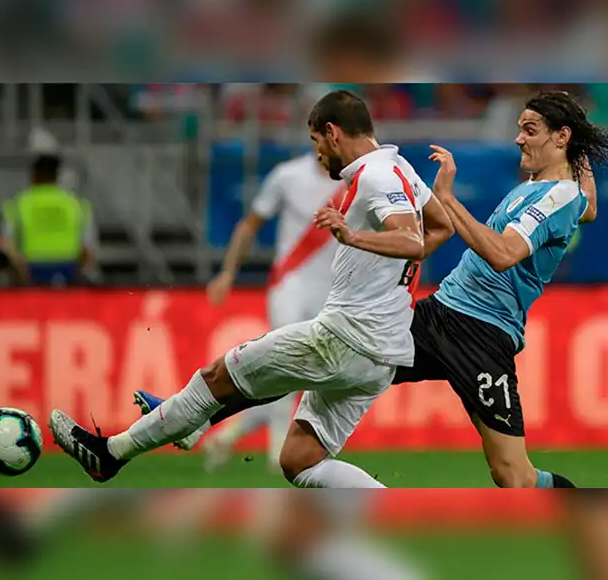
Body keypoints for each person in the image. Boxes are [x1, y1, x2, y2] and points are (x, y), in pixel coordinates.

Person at [139, 90, 608, 488]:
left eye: (529, 129)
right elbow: (589, 208)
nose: (517, 138)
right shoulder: (545, 188)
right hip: (439, 314)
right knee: (328, 361)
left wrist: (447, 201)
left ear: (560, 138)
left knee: (512, 476)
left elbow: (503, 253)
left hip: (484, 336)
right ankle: (201, 415)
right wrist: (581, 146)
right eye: (519, 127)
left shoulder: (559, 194)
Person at [49, 89, 454, 488]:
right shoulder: (401, 170)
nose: (317, 154)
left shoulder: (376, 176)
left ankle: (110, 454)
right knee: (299, 460)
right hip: (383, 354)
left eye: (316, 141)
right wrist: (387, 259)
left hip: (347, 339)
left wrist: (353, 238)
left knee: (215, 376)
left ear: (332, 132)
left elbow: (411, 240)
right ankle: (391, 508)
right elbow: (441, 228)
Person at [148, 152, 344, 473]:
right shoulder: (288, 175)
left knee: (300, 376)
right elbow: (250, 225)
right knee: (288, 363)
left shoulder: (355, 179)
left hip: (330, 292)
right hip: (288, 286)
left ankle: (227, 434)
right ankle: (277, 452)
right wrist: (227, 272)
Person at [0, 154, 97, 286]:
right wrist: (77, 275)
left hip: (31, 271)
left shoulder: (18, 203)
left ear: (34, 175)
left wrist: (20, 274)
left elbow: (7, 245)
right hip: (67, 271)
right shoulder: (76, 203)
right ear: (57, 176)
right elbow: (89, 248)